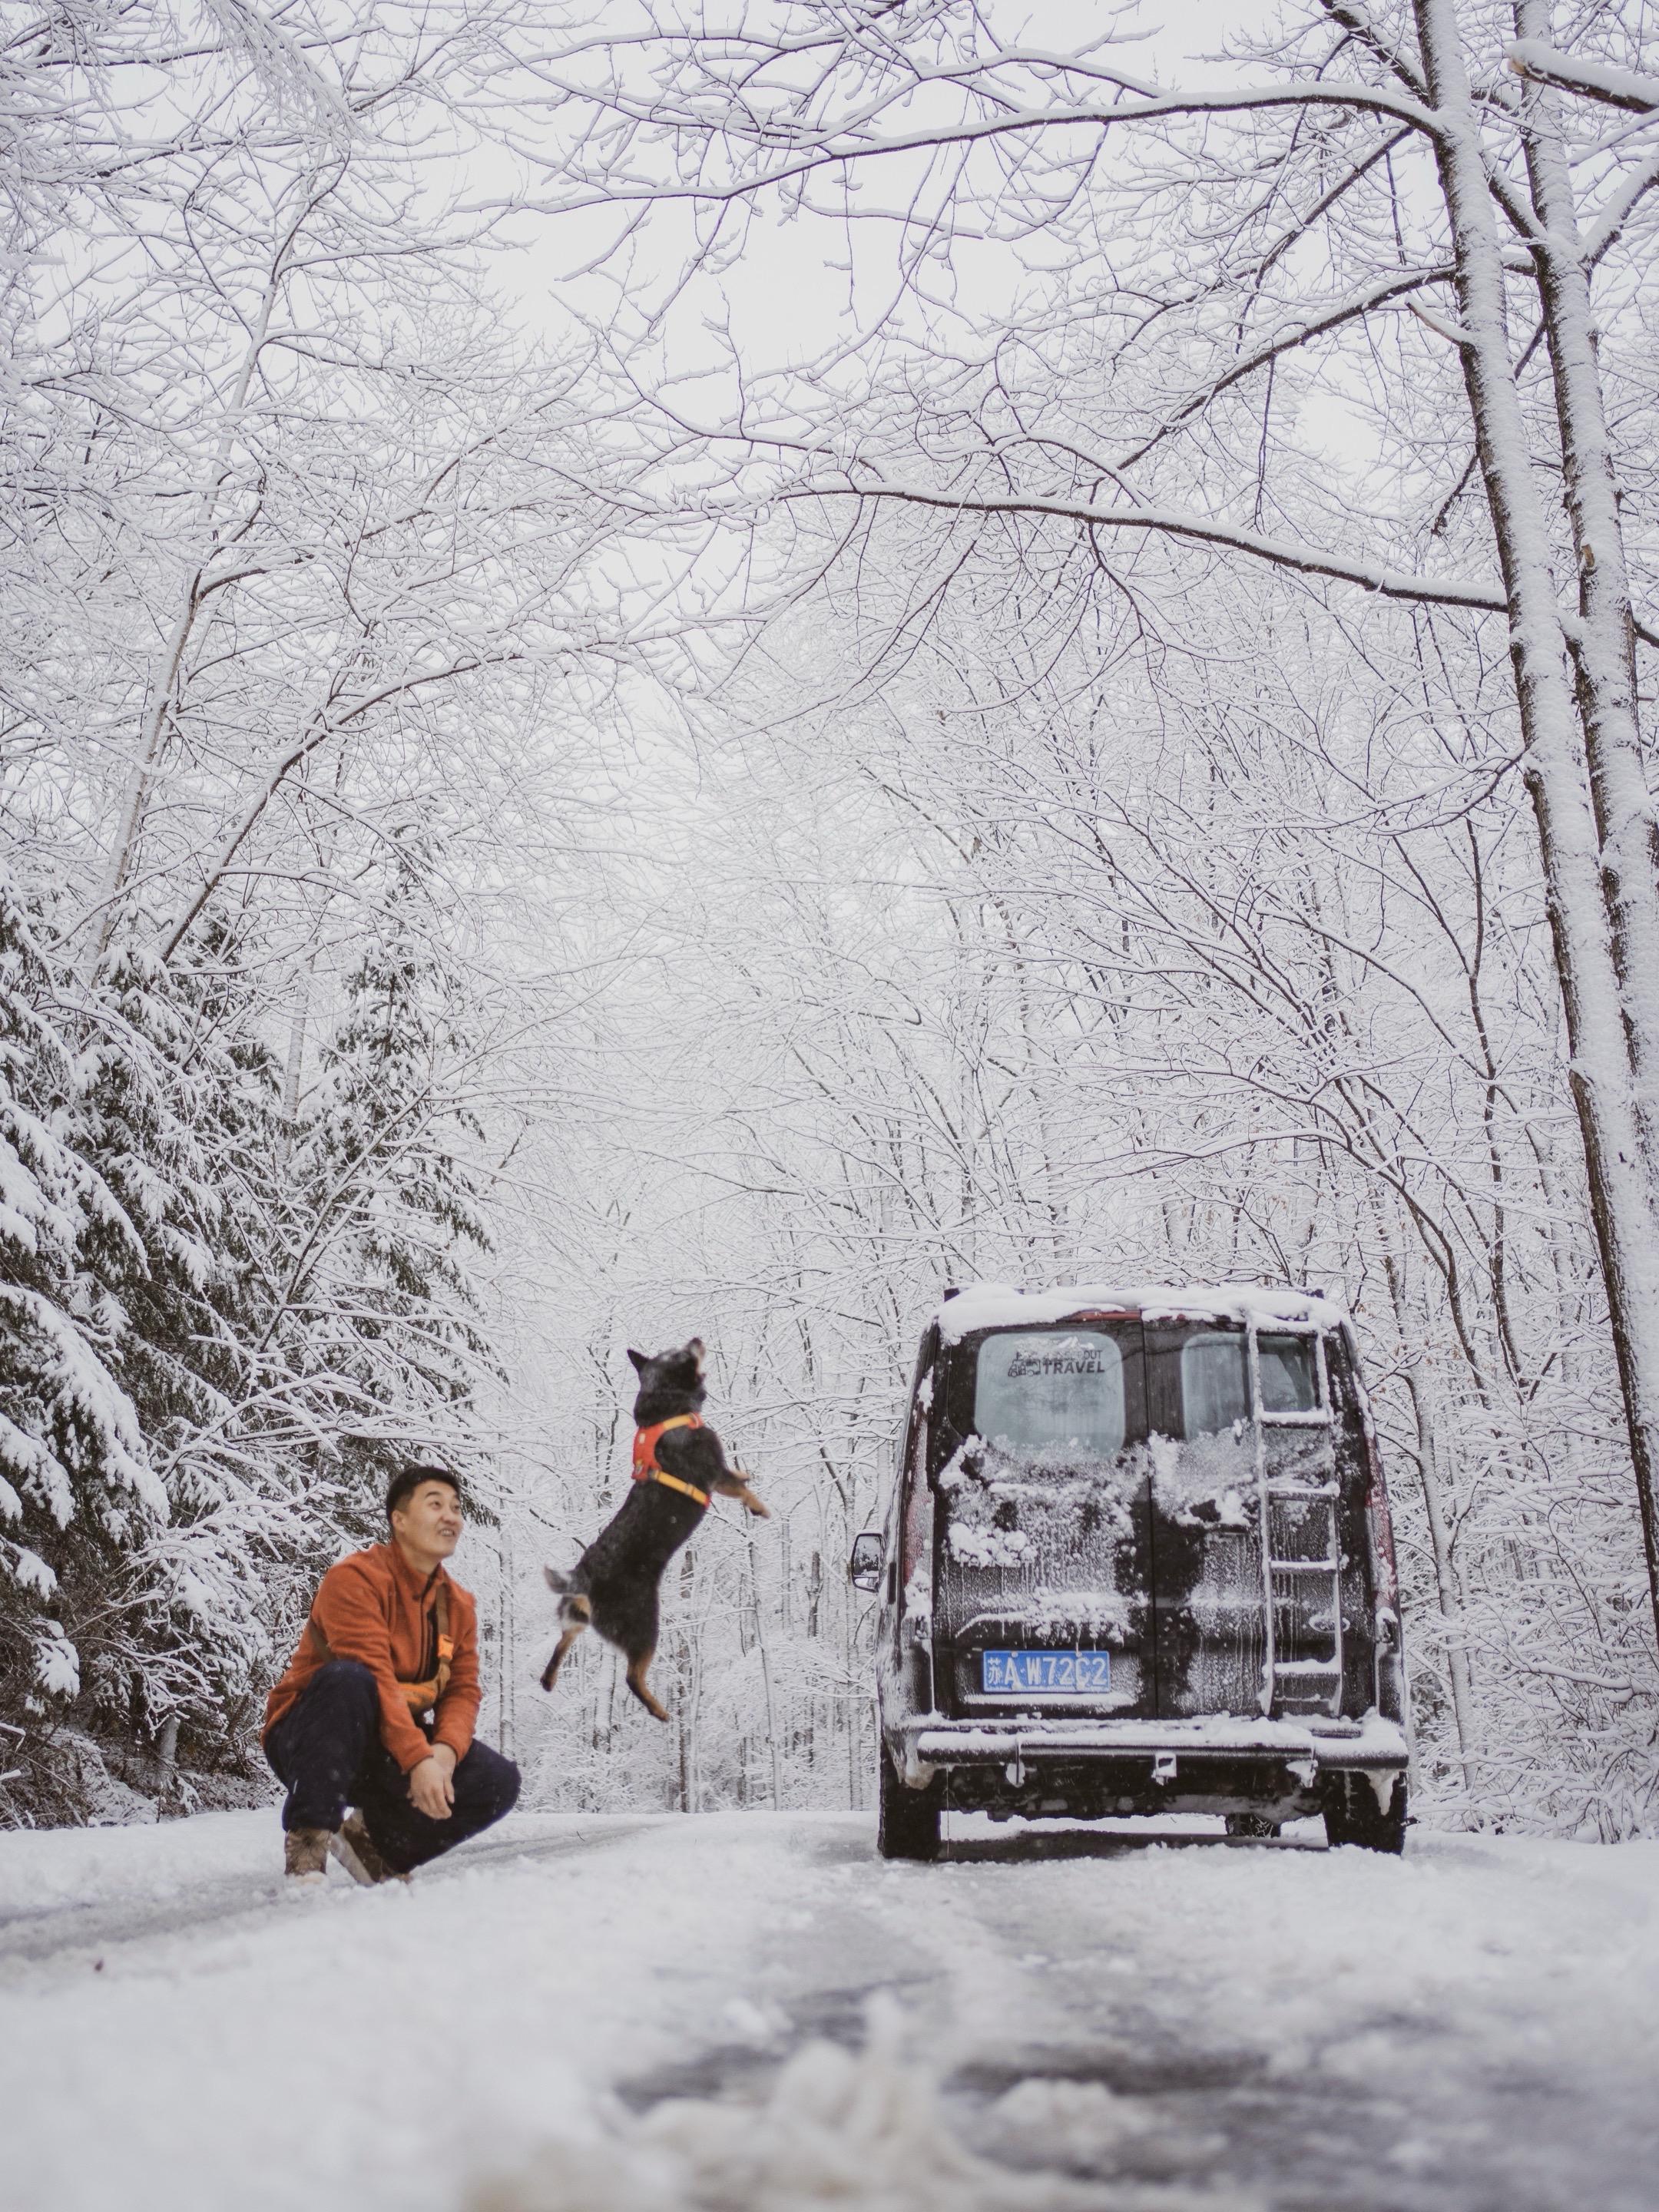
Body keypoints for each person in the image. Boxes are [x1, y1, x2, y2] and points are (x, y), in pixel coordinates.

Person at [263, 1465, 520, 1884]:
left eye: (456, 1508)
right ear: (398, 1520)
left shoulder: (457, 1606)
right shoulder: (355, 1579)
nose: (450, 1516)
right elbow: (374, 1674)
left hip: (388, 1747)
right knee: (349, 1678)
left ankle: (372, 1848)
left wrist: (444, 1754)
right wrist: (417, 1758)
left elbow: (462, 1690)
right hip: (312, 1738)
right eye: (435, 1504)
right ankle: (309, 1840)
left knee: (496, 1779)